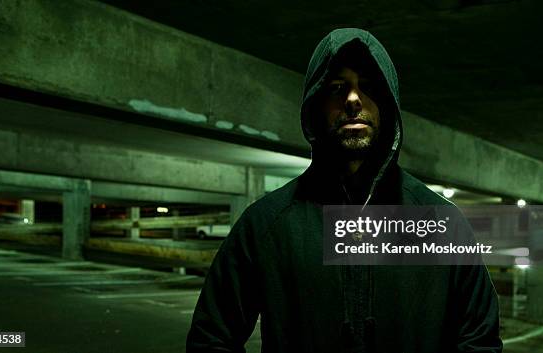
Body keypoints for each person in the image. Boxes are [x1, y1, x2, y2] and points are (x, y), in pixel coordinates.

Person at [187, 28, 502, 353]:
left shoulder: (442, 224)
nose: (352, 99)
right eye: (337, 88)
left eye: (367, 87)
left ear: (387, 105)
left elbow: (480, 339)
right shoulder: (268, 225)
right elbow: (211, 339)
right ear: (316, 106)